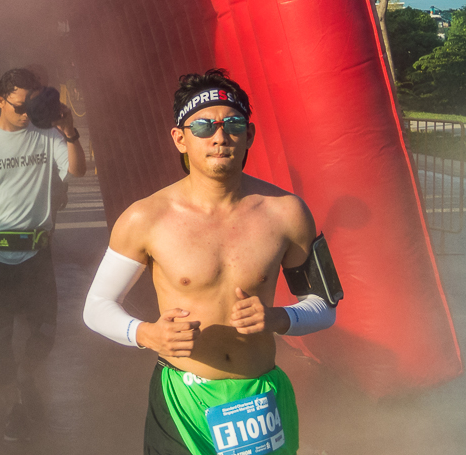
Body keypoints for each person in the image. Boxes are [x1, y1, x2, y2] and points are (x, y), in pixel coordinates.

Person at [82, 69, 342, 455]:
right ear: (180, 139)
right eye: (203, 126)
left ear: (249, 135)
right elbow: (96, 307)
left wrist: (279, 318)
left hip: (259, 398)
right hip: (182, 400)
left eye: (233, 124)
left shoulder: (288, 213)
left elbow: (327, 306)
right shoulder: (145, 217)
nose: (220, 137)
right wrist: (145, 334)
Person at [0, 67, 87, 441]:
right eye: (18, 106)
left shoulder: (47, 135)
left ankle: (26, 377)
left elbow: (76, 172)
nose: (26, 114)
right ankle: (13, 405)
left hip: (37, 251)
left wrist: (69, 132)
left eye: (32, 105)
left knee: (45, 331)